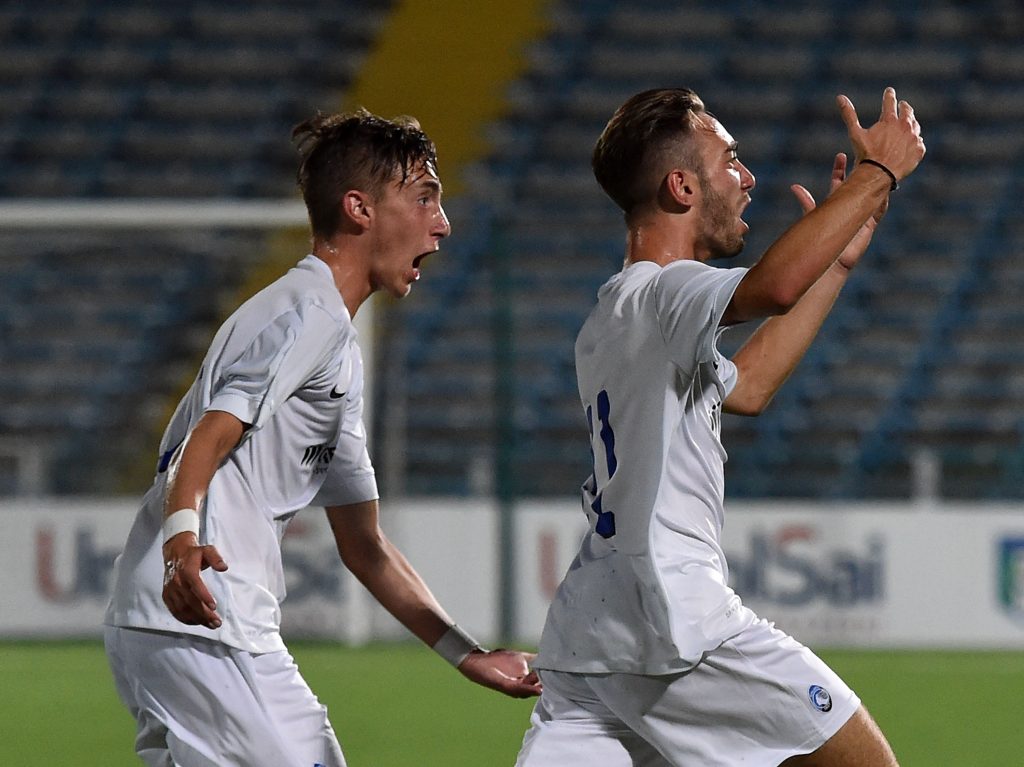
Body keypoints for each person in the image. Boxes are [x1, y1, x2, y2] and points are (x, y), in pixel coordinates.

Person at [104, 108, 541, 767]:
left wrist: (468, 654)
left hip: (184, 622)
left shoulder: (329, 344)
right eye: (425, 197)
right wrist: (181, 546)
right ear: (360, 208)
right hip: (206, 621)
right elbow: (209, 436)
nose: (443, 223)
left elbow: (365, 546)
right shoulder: (309, 312)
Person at [515, 87, 924, 767]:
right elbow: (774, 285)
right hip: (677, 622)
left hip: (591, 638)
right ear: (681, 186)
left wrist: (839, 262)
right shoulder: (667, 292)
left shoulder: (616, 316)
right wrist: (878, 173)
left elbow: (751, 385)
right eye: (730, 159)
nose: (748, 176)